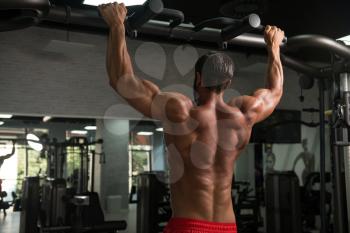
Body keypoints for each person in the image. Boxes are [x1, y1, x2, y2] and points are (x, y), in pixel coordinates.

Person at [98, 3, 284, 233]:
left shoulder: (180, 112)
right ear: (228, 83)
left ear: (198, 79)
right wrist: (273, 47)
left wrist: (117, 25)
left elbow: (121, 80)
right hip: (227, 227)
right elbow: (275, 91)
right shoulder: (244, 115)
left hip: (188, 226)